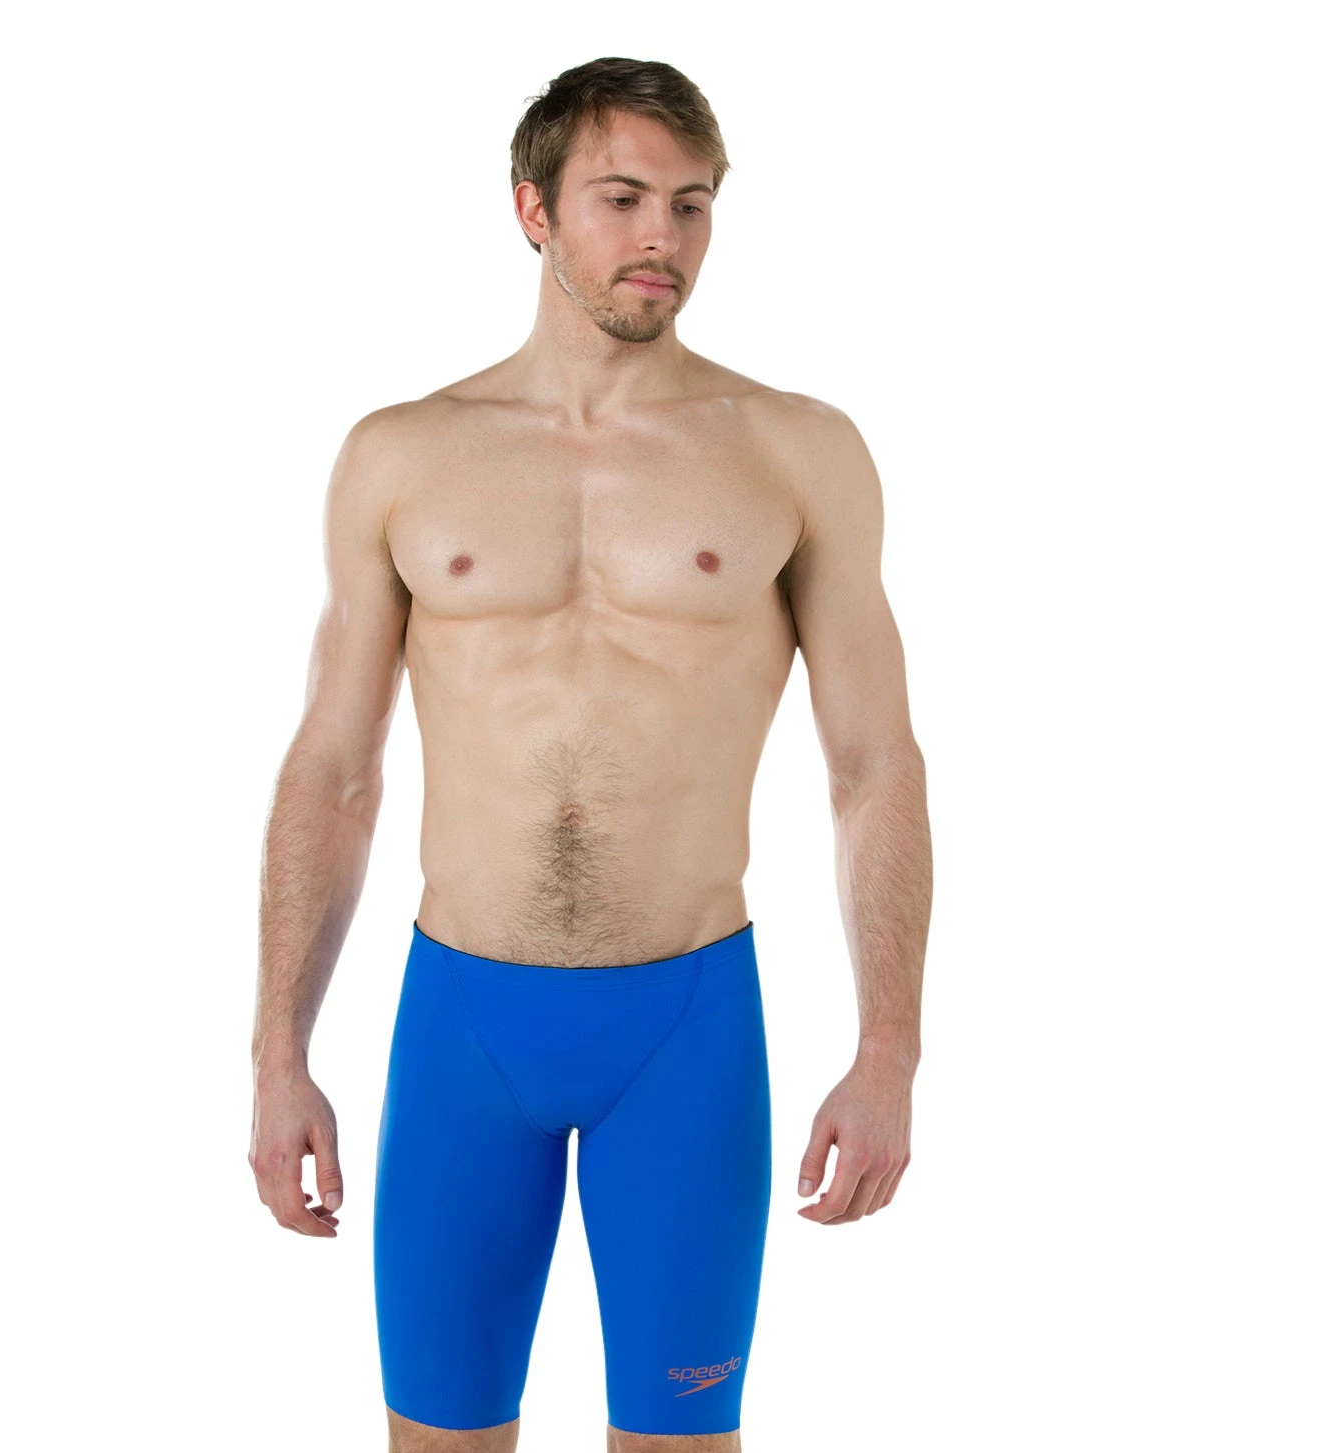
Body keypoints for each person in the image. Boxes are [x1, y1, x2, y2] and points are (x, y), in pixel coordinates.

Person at [248, 55, 931, 1453]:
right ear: (533, 209)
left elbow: (874, 768)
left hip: (686, 1026)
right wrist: (276, 1052)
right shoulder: (402, 456)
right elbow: (333, 770)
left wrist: (890, 1052)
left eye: (691, 205)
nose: (661, 238)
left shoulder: (795, 453)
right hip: (463, 1021)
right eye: (622, 198)